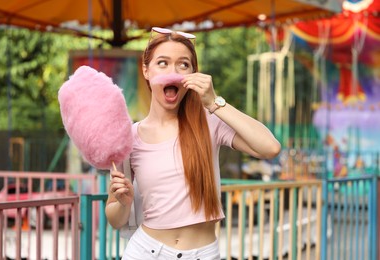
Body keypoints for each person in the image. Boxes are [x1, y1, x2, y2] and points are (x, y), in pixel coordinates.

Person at [105, 27, 281, 260]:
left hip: (204, 254)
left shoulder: (210, 122)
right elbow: (115, 219)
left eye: (184, 65)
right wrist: (123, 203)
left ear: (193, 74)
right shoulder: (128, 137)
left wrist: (215, 103)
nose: (174, 71)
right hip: (146, 252)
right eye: (163, 63)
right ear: (146, 70)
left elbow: (270, 147)